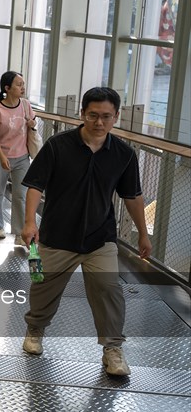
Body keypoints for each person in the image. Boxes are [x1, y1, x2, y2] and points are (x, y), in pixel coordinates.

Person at [20, 87, 151, 377]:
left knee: (108, 289)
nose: (99, 122)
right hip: (57, 235)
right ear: (82, 114)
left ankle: (113, 349)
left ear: (116, 117)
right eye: (93, 115)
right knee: (44, 288)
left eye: (106, 116)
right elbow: (35, 185)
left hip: (99, 237)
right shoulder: (57, 145)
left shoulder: (124, 154)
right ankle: (35, 330)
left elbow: (132, 196)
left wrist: (143, 233)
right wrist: (30, 222)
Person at [0, 71, 37, 242]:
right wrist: (2, 157)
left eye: (23, 84)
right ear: (7, 88)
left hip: (22, 157)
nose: (22, 87)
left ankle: (20, 232)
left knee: (20, 195)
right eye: (18, 84)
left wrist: (32, 123)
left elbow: (33, 123)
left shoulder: (26, 105)